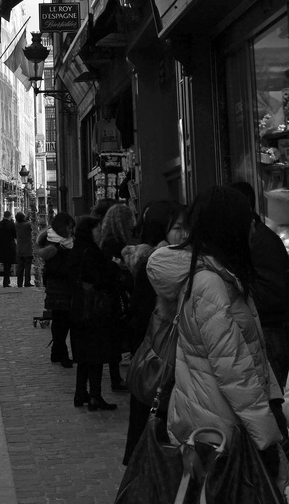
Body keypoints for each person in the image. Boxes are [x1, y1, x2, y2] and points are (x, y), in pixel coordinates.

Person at [147, 186, 286, 471]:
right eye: (247, 218)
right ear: (228, 226)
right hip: (221, 430)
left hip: (218, 420)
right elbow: (233, 369)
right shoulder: (211, 284)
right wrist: (267, 436)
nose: (253, 225)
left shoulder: (222, 276)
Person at [122, 200, 187, 464]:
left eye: (187, 227)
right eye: (177, 228)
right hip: (159, 362)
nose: (184, 234)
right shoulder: (158, 265)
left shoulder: (179, 259)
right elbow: (143, 317)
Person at [231, 180, 289, 387]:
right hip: (262, 330)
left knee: (271, 397)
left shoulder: (261, 241)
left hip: (268, 331)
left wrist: (237, 294)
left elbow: (273, 292)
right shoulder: (248, 238)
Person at [67, 215, 118, 411]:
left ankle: (80, 393)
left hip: (78, 307)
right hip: (94, 309)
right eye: (97, 229)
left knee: (83, 354)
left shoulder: (76, 250)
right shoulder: (92, 251)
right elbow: (100, 278)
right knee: (95, 353)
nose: (100, 233)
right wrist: (113, 266)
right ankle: (95, 396)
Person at [99, 203, 135, 392]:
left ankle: (118, 377)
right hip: (117, 295)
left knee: (116, 338)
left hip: (116, 294)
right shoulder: (115, 242)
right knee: (117, 338)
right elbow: (111, 268)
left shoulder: (108, 240)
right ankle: (118, 379)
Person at [37, 211, 75, 366]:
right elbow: (53, 266)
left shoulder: (67, 241)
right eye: (70, 227)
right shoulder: (53, 242)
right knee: (62, 320)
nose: (72, 230)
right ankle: (62, 353)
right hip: (59, 285)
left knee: (61, 320)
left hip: (63, 285)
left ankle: (56, 352)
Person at [0, 210, 17, 287]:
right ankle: (6, 281)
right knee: (8, 264)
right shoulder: (11, 224)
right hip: (9, 246)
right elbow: (15, 235)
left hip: (0, 247)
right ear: (10, 216)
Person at [15, 211, 34, 287]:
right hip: (28, 248)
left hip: (19, 248)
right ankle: (27, 282)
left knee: (20, 266)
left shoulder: (16, 225)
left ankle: (19, 283)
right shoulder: (27, 225)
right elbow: (30, 224)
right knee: (27, 267)